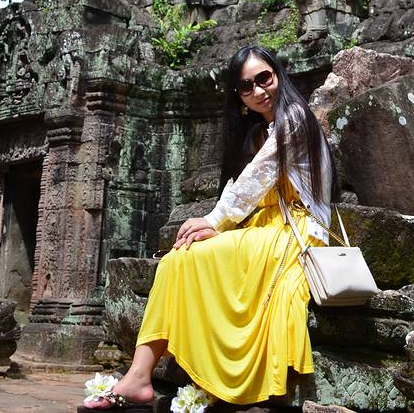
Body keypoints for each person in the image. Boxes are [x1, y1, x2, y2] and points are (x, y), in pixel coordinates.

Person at [83, 45, 335, 411]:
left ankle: (141, 377)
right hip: (266, 230)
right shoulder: (260, 131)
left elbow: (256, 178)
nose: (258, 91)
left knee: (183, 258)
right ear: (238, 96)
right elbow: (241, 186)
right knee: (176, 260)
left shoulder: (295, 117)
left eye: (264, 78)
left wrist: (213, 221)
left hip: (296, 234)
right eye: (246, 87)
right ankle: (139, 377)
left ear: (278, 74)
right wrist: (214, 225)